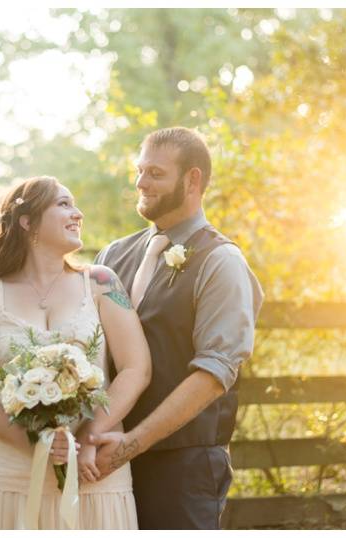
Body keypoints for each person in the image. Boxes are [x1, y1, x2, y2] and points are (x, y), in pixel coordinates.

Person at [0, 176, 151, 529]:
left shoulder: (102, 283)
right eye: (63, 204)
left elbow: (137, 369)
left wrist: (89, 436)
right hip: (6, 470)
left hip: (92, 467)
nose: (78, 213)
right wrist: (38, 444)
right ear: (27, 222)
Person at [91, 127, 264, 529]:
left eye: (155, 173)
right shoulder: (112, 255)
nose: (140, 182)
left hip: (182, 468)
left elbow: (213, 374)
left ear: (192, 180)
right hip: (102, 459)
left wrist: (129, 446)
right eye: (139, 170)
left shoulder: (221, 262)